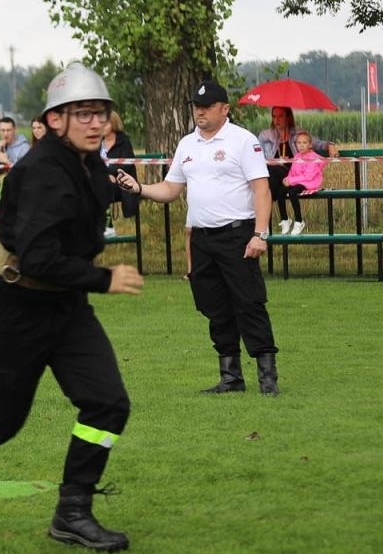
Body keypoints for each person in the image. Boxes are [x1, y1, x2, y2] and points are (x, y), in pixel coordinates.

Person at [0, 63, 144, 553]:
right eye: (81, 113)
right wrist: (104, 278)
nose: (94, 123)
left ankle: (73, 511)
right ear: (56, 119)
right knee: (1, 422)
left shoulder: (90, 163)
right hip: (12, 309)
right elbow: (41, 257)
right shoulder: (43, 171)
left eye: (100, 113)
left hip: (65, 307)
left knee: (108, 402)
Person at [119, 79, 280, 395]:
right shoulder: (186, 144)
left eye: (207, 106)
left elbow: (262, 189)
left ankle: (267, 377)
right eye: (196, 106)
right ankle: (231, 377)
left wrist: (260, 234)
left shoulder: (242, 141)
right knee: (214, 306)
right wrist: (139, 189)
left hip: (237, 234)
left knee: (249, 303)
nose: (200, 112)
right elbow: (171, 189)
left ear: (225, 109)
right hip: (202, 239)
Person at [258, 106, 336, 235]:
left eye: (281, 116)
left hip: (293, 174)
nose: (277, 120)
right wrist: (276, 161)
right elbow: (256, 156)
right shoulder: (265, 136)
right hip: (273, 173)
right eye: (274, 116)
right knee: (270, 175)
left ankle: (265, 223)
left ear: (288, 118)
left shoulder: (298, 135)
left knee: (269, 183)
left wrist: (330, 145)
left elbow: (317, 144)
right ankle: (276, 222)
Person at [100, 111, 139, 236]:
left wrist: (113, 174)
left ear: (113, 124)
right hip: (104, 180)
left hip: (123, 183)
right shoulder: (97, 142)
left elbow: (127, 163)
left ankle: (108, 226)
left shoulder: (124, 141)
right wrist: (106, 174)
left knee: (102, 187)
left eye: (105, 124)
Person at [280, 130, 327, 234]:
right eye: (299, 143)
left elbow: (308, 176)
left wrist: (291, 181)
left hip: (309, 183)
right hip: (297, 181)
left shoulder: (313, 158)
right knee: (280, 191)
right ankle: (285, 219)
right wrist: (287, 179)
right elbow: (293, 172)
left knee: (292, 193)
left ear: (310, 144)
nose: (301, 146)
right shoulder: (297, 156)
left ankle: (299, 221)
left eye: (304, 143)